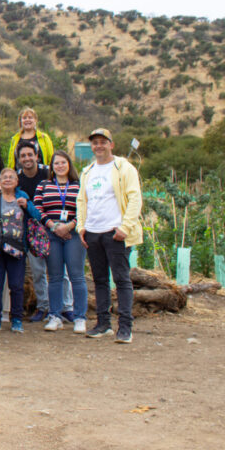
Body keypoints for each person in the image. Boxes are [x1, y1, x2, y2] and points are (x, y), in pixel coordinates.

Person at [77, 128, 142, 344]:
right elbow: (81, 201)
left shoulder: (124, 167)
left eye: (103, 142)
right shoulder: (87, 172)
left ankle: (125, 327)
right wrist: (81, 227)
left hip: (115, 233)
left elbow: (135, 198)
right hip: (93, 232)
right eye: (95, 143)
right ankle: (103, 323)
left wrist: (126, 227)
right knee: (100, 280)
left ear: (111, 144)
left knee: (122, 280)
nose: (99, 146)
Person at [0, 168, 44, 333]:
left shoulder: (23, 197)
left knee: (16, 286)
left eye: (11, 177)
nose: (7, 179)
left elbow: (36, 217)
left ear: (17, 181)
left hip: (17, 249)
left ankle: (16, 320)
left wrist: (27, 206)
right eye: (4, 177)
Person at [34, 150, 87, 333]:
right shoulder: (44, 185)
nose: (60, 166)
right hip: (51, 235)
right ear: (52, 166)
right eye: (56, 163)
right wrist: (53, 226)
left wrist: (70, 225)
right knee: (55, 277)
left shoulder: (79, 185)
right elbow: (37, 207)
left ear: (69, 164)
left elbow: (86, 209)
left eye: (63, 162)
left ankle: (80, 317)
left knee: (76, 276)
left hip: (73, 235)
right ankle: (55, 315)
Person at [15, 140, 63, 323]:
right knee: (37, 270)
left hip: (53, 225)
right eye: (23, 156)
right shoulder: (18, 178)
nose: (27, 158)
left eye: (30, 154)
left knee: (60, 270)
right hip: (31, 229)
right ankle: (43, 306)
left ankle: (66, 307)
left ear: (36, 156)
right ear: (19, 160)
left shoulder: (48, 173)